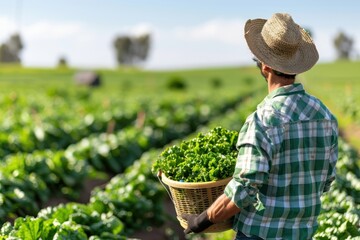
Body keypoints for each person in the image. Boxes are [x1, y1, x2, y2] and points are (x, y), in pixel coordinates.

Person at [181, 13, 338, 240]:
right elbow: (327, 180)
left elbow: (243, 190)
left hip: (260, 234)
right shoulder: (325, 116)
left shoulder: (263, 120)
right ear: (296, 66)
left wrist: (203, 218)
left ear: (264, 66)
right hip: (303, 233)